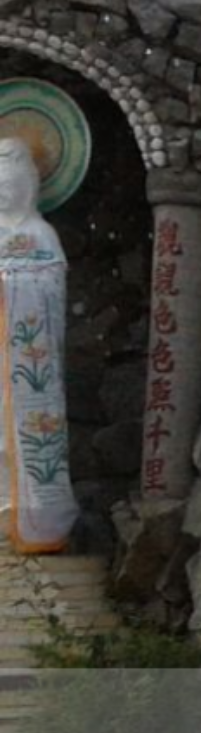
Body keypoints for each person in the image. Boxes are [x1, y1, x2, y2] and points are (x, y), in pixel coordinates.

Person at [0, 137, 76, 554]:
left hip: (31, 360)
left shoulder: (42, 233)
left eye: (10, 183)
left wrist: (13, 285)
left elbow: (52, 287)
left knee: (31, 437)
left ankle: (36, 519)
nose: (4, 192)